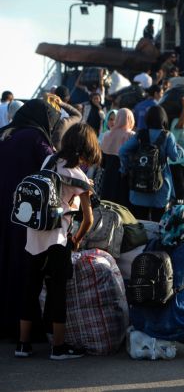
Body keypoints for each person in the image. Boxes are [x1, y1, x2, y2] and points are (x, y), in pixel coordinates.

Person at [16, 123, 101, 360]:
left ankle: (22, 345)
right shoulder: (79, 176)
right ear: (86, 148)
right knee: (57, 292)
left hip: (33, 234)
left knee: (30, 289)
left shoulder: (48, 161)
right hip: (58, 238)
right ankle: (59, 347)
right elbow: (88, 218)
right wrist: (76, 238)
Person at [0, 99, 59, 339]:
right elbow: (52, 167)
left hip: (3, 209)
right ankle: (22, 327)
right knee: (23, 267)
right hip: (23, 213)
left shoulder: (5, 133)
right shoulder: (36, 138)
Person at [119, 106, 184, 221]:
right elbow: (174, 157)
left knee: (139, 222)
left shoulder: (140, 134)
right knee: (158, 222)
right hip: (160, 187)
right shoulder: (167, 136)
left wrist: (126, 168)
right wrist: (180, 150)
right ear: (164, 119)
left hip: (138, 186)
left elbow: (122, 151)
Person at [100, 108, 135, 206]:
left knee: (107, 205)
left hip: (108, 176)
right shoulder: (131, 136)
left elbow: (102, 162)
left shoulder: (107, 135)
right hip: (124, 178)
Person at [52, 86, 82, 151]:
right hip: (64, 148)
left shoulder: (48, 109)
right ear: (68, 98)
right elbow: (78, 115)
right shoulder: (69, 114)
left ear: (55, 95)